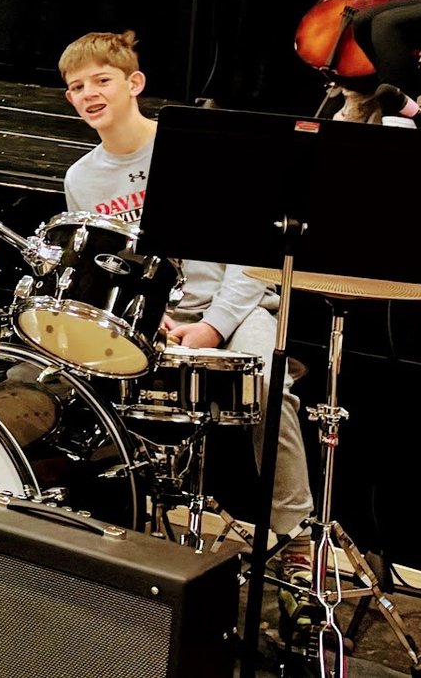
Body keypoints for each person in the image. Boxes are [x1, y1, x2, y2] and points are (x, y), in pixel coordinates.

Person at [59, 31, 313, 567]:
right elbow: (106, 264)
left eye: (102, 81)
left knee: (269, 381)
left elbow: (254, 256)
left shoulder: (195, 145)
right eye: (77, 87)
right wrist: (149, 317)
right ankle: (121, 525)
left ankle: (295, 531)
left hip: (235, 306)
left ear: (135, 84)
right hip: (152, 317)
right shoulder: (81, 178)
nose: (90, 94)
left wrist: (215, 325)